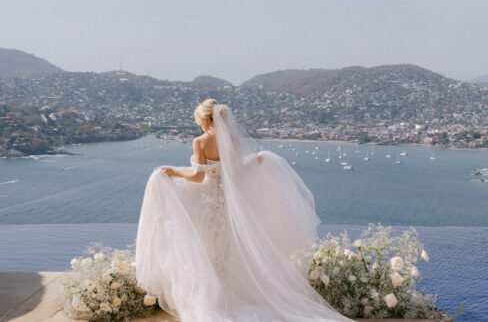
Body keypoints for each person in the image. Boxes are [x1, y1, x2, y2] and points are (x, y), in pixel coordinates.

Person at [135, 98, 352, 321]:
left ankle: (214, 298)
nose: (198, 124)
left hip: (208, 201)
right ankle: (228, 293)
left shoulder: (200, 142)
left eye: (199, 119)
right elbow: (236, 172)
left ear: (206, 120)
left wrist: (173, 172)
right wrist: (257, 161)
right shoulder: (233, 140)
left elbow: (199, 177)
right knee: (226, 249)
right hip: (229, 203)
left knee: (207, 248)